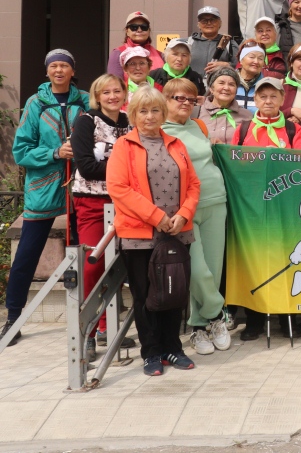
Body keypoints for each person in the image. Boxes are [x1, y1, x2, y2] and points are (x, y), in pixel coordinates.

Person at [105, 86, 202, 375]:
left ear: (164, 113)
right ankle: (151, 352)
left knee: (175, 292)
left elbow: (194, 185)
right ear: (133, 115)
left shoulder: (176, 143)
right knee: (145, 295)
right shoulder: (124, 146)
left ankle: (173, 348)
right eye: (143, 111)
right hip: (140, 234)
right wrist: (156, 216)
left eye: (155, 110)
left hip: (176, 232)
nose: (150, 116)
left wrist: (184, 214)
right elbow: (118, 188)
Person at [2, 50, 89, 346]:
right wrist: (55, 152)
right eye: (54, 66)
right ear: (47, 71)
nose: (59, 70)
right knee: (26, 255)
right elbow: (21, 151)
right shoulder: (35, 103)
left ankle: (94, 320)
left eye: (64, 65)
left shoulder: (85, 101)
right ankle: (13, 318)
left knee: (88, 254)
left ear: (73, 70)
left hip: (81, 188)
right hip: (44, 188)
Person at [230, 77, 301, 341]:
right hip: (252, 208)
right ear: (255, 99)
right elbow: (235, 166)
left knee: (286, 259)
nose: (268, 101)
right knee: (254, 260)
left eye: (273, 96)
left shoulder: (292, 129)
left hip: (284, 207)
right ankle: (254, 320)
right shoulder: (243, 129)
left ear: (282, 99)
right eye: (262, 96)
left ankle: (288, 318)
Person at [160, 79, 232, 357]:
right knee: (197, 271)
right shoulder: (158, 130)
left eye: (192, 99)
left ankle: (200, 327)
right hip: (184, 209)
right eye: (180, 98)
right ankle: (218, 313)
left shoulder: (199, 125)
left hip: (216, 201)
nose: (186, 104)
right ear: (165, 99)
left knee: (212, 270)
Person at [68, 74, 131, 358]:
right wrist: (125, 171)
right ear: (97, 96)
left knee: (119, 266)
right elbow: (86, 167)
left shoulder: (130, 122)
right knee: (93, 266)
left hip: (125, 202)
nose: (112, 96)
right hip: (92, 201)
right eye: (106, 92)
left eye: (117, 91)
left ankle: (108, 327)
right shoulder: (86, 122)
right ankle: (88, 333)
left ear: (124, 93)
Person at [196, 67, 254, 145]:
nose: (226, 88)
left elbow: (250, 146)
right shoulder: (196, 112)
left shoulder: (247, 116)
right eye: (221, 83)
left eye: (231, 84)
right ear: (211, 89)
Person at [107, 11, 164, 78]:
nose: (139, 30)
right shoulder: (118, 53)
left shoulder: (160, 54)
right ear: (127, 31)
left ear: (149, 31)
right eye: (134, 27)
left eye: (144, 27)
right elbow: (114, 82)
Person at [189, 6, 238, 75]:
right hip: (192, 82)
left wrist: (227, 65)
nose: (209, 23)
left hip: (220, 82)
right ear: (198, 24)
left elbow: (240, 66)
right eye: (204, 21)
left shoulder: (229, 43)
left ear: (220, 23)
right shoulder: (189, 42)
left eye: (213, 20)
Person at [235, 41, 265, 113]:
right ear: (241, 60)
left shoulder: (266, 85)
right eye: (252, 57)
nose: (256, 61)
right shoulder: (230, 82)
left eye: (260, 58)